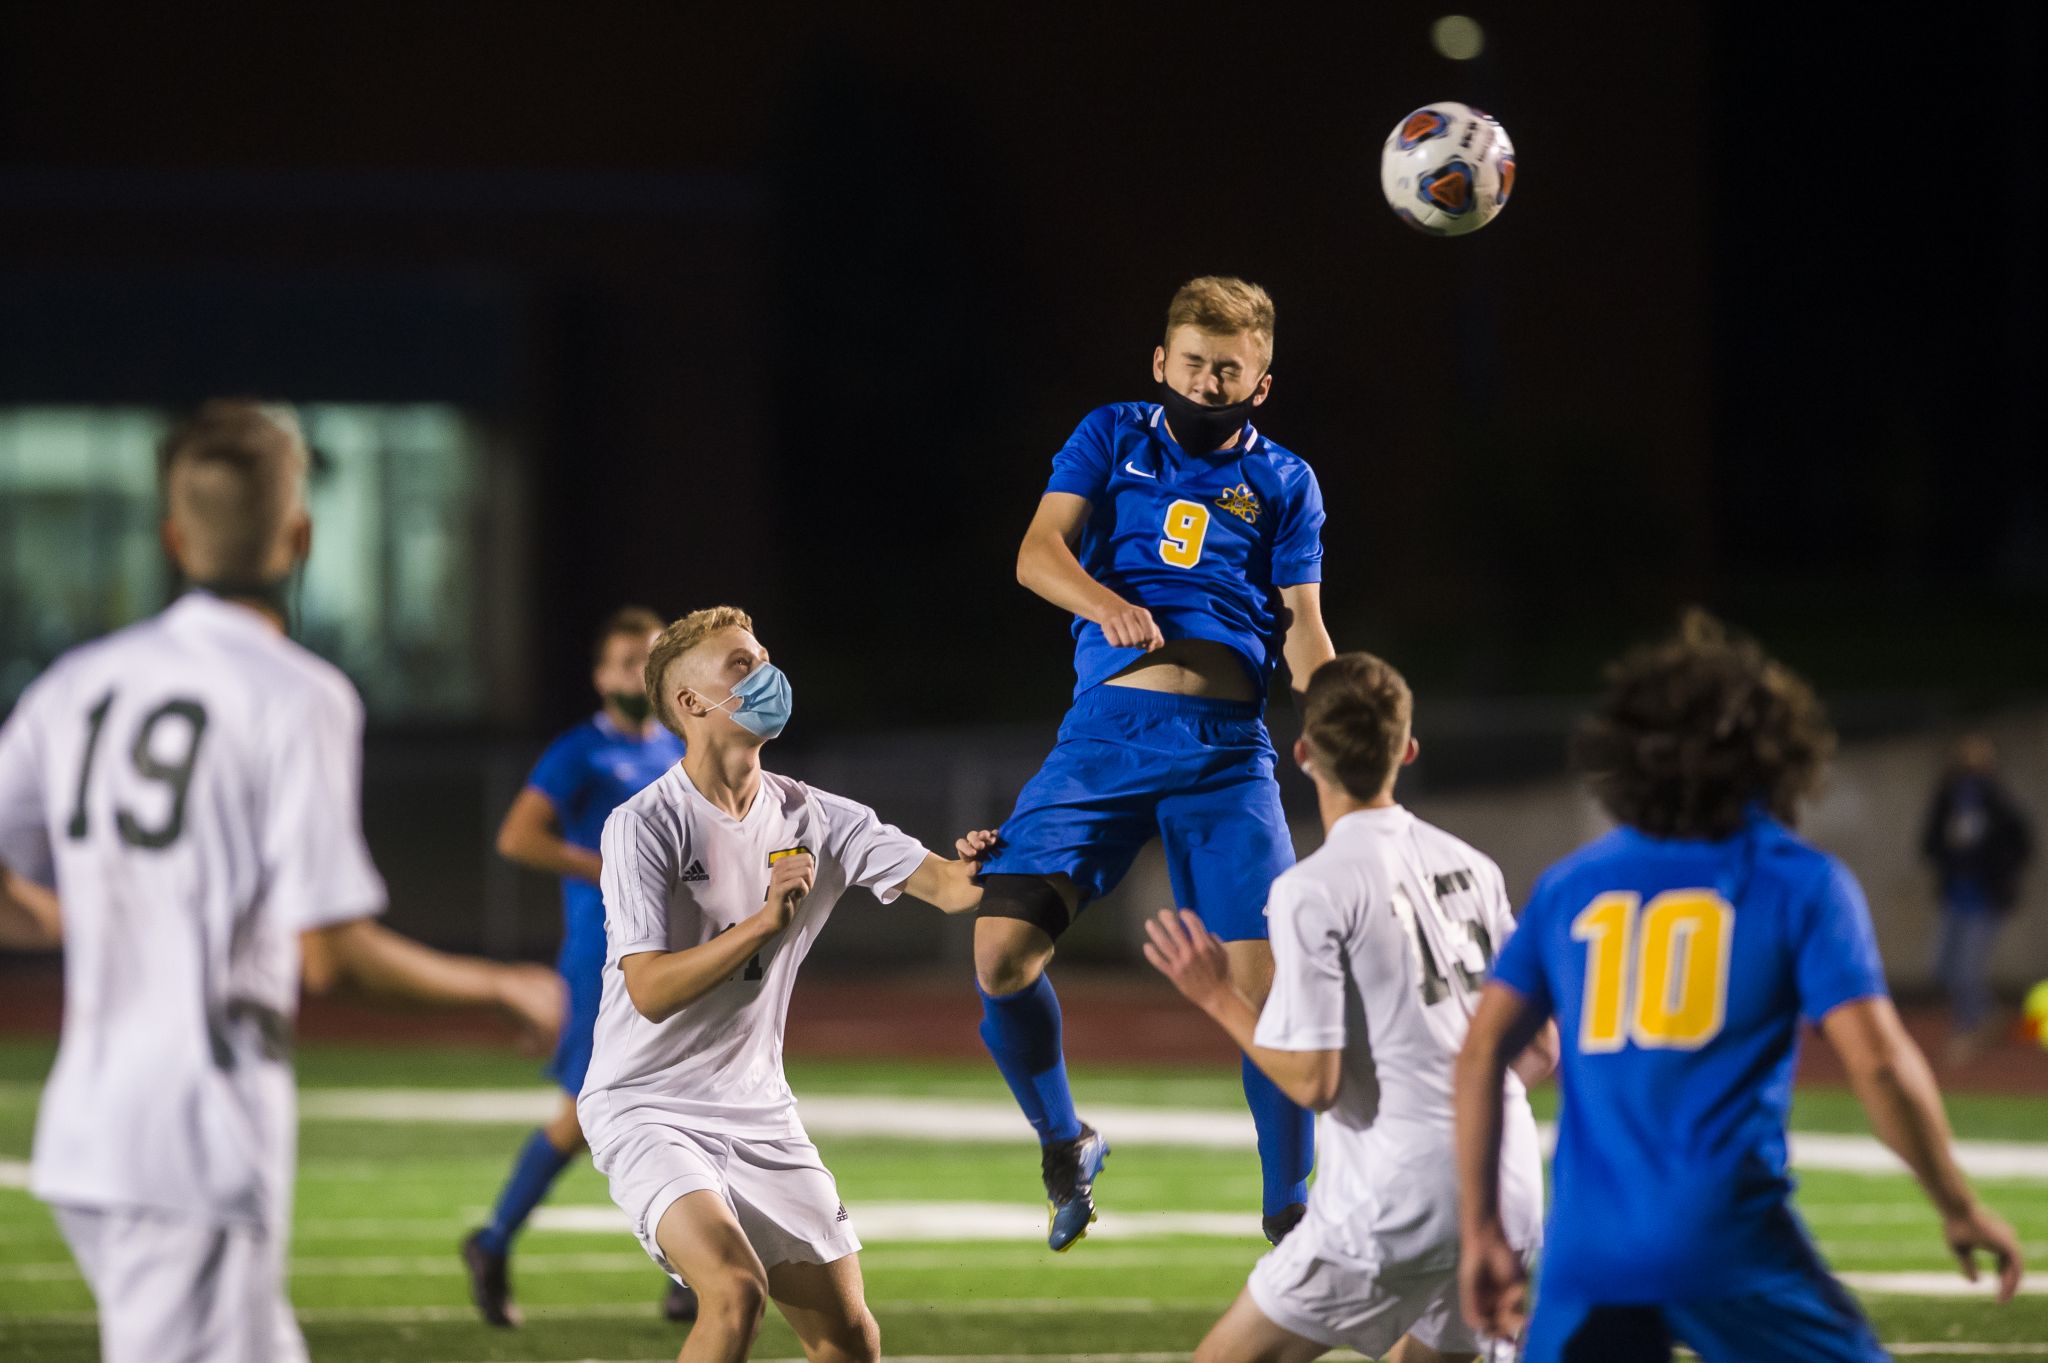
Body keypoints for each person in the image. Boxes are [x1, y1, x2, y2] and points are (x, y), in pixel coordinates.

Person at [0, 400, 563, 1363]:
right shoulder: (297, 695)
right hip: (195, 1136)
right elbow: (331, 955)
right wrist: (502, 983)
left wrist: (105, 914)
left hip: (89, 1128)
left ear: (173, 539)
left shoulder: (75, 684)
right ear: (299, 536)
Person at [1456, 612, 2026, 1363]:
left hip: (1586, 1255)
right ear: (1773, 748)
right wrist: (1958, 1205)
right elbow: (1881, 1063)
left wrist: (1482, 1232)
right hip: (1728, 1242)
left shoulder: (1572, 886)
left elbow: (1480, 1051)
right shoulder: (1799, 881)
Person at [975, 275, 1337, 1249]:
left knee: (1267, 989)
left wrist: (1341, 715)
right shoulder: (1110, 435)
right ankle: (1064, 1141)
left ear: (1260, 382)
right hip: (1104, 739)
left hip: (1225, 752)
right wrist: (1100, 601)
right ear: (1158, 363)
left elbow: (1302, 624)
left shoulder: (1285, 481)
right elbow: (1036, 552)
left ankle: (1289, 1209)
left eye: (1229, 370)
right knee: (1000, 953)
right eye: (1191, 364)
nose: (1207, 383)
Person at [578, 605, 997, 1363]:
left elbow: (953, 885)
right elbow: (648, 988)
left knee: (850, 1339)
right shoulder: (643, 823)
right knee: (734, 1291)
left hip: (759, 1110)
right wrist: (764, 924)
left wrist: (999, 853)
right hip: (645, 1103)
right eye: (740, 664)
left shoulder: (818, 815)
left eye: (764, 655)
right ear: (690, 703)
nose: (766, 673)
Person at [1146, 653, 1554, 1363]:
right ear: (1407, 749)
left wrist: (1215, 994)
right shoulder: (1476, 869)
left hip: (1394, 1193)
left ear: (1303, 753)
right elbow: (1541, 1045)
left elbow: (1314, 1082)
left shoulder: (1312, 888)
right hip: (1507, 1182)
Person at [464, 606, 693, 1326]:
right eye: (624, 659)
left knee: (690, 1099)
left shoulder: (681, 748)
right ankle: (496, 1237)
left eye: (649, 658)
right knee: (587, 1114)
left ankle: (690, 1270)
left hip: (676, 951)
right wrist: (602, 866)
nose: (637, 671)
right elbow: (517, 836)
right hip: (604, 955)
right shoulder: (579, 752)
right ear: (600, 675)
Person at [1920, 733, 2034, 1062]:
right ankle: (1986, 1018)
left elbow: (2020, 841)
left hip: (1984, 899)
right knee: (1944, 967)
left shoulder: (1997, 798)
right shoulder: (1948, 795)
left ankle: (1967, 1032)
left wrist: (2002, 876)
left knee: (1966, 970)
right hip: (1955, 896)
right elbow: (1931, 839)